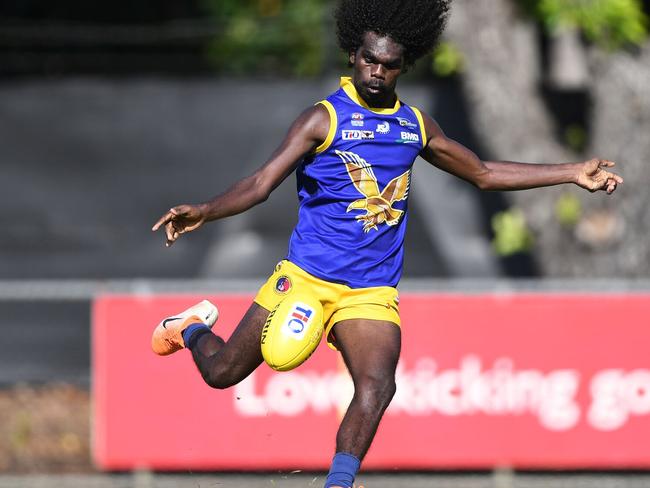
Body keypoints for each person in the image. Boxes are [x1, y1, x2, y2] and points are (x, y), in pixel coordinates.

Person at [151, 1, 623, 486]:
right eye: (370, 60)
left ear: (404, 65)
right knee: (223, 373)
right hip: (307, 279)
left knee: (378, 384)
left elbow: (482, 173)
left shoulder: (415, 126)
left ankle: (340, 482)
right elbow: (259, 183)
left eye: (389, 65)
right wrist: (205, 210)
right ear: (353, 56)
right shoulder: (323, 119)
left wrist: (572, 172)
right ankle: (189, 327)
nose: (377, 72)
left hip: (370, 292)